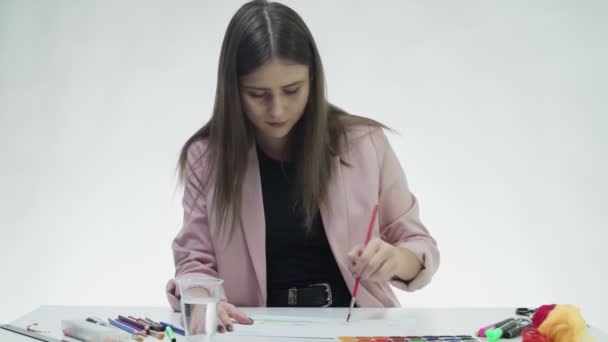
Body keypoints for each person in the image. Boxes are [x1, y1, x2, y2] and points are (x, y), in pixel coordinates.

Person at [166, 0, 440, 334]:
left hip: (356, 326)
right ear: (233, 89)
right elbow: (194, 261)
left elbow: (417, 245)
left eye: (292, 90)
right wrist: (205, 304)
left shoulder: (364, 142)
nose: (277, 109)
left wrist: (396, 260)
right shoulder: (207, 157)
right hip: (254, 329)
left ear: (314, 79)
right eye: (257, 94)